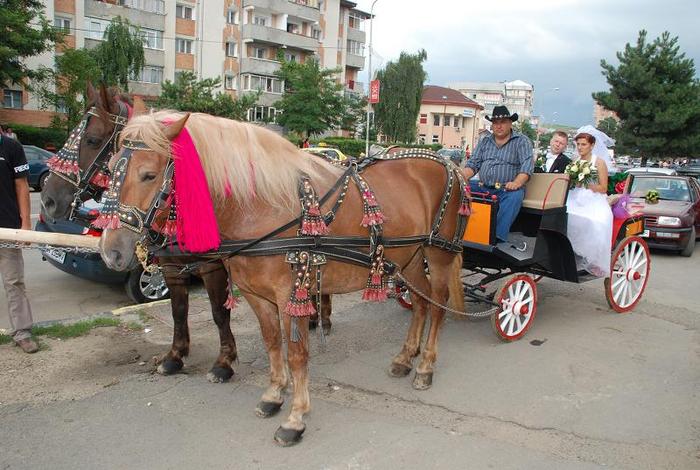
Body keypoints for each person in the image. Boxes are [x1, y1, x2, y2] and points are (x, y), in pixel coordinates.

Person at [462, 106, 534, 247]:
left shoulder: (521, 141)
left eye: (503, 122)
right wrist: (459, 176)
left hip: (506, 189)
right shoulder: (485, 141)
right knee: (458, 188)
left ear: (510, 123)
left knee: (515, 196)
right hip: (483, 187)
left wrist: (517, 183)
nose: (499, 126)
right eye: (495, 122)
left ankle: (494, 237)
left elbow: (527, 167)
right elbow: (473, 164)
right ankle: (457, 230)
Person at [0, 125, 38, 353]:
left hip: (8, 228)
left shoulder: (11, 147)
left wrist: (25, 224)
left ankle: (22, 332)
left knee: (14, 282)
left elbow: (22, 186)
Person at [566, 131, 613, 277]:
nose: (580, 147)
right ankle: (568, 252)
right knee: (564, 214)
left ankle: (591, 258)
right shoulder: (575, 161)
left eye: (583, 144)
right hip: (575, 197)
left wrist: (588, 184)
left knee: (596, 222)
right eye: (578, 144)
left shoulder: (599, 162)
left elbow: (604, 187)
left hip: (594, 199)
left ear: (592, 145)